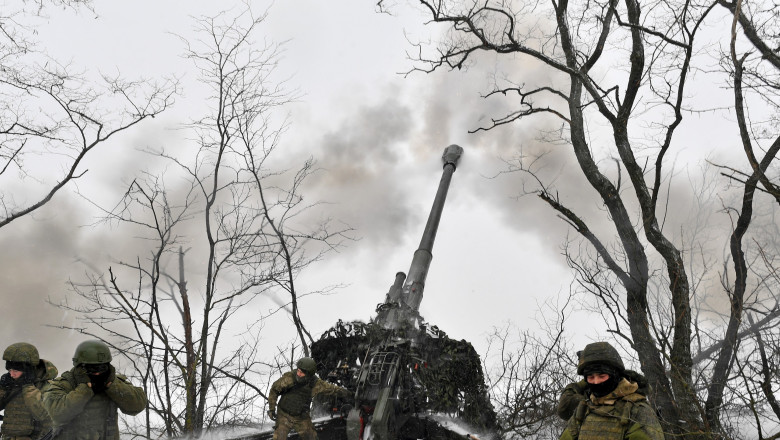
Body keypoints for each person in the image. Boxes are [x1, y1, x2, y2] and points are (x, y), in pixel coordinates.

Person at [41, 340, 147, 440]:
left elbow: (138, 405)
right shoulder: (64, 384)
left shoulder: (113, 382)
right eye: (91, 369)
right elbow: (57, 414)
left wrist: (113, 385)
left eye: (101, 368)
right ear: (79, 367)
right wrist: (84, 389)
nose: (97, 374)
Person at [559, 342, 664, 440]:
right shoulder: (584, 408)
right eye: (590, 377)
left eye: (602, 376)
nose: (596, 382)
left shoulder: (637, 411)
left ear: (615, 375)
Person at [267, 357, 352, 440]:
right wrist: (271, 408)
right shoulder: (289, 378)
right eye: (298, 371)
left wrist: (349, 394)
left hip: (301, 417)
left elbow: (332, 389)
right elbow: (274, 390)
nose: (298, 374)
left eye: (302, 373)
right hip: (284, 415)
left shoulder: (315, 384)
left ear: (308, 374)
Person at [0, 342, 58, 440]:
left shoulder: (46, 386)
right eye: (9, 370)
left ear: (28, 370)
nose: (11, 375)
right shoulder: (12, 383)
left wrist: (28, 386)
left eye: (16, 371)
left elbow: (43, 414)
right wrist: (3, 388)